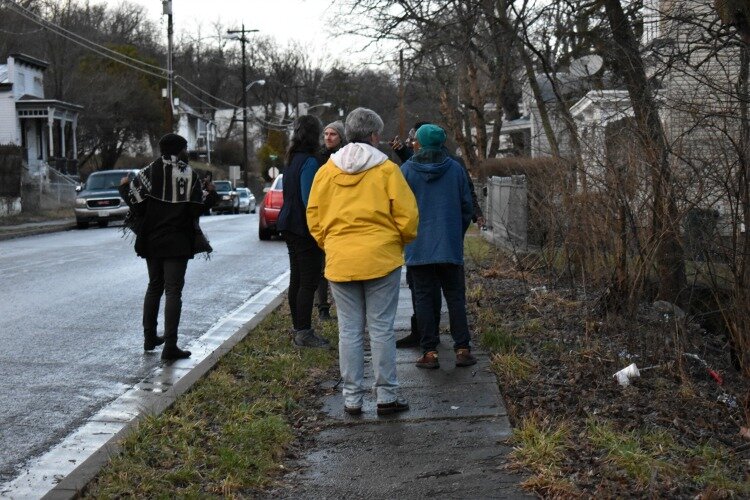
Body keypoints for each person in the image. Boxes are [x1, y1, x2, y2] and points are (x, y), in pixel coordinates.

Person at [307, 107, 419, 416]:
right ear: (373, 136)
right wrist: (398, 241)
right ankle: (386, 397)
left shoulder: (326, 171)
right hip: (381, 258)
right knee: (381, 329)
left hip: (341, 259)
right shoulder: (386, 170)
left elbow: (313, 215)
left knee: (349, 330)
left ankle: (352, 398)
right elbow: (408, 217)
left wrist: (328, 242)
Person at [392, 121, 485, 348]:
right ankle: (463, 348)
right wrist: (455, 232)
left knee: (423, 297)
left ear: (420, 143)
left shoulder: (406, 171)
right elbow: (466, 207)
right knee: (455, 297)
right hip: (449, 244)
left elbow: (398, 208)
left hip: (418, 245)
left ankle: (429, 350)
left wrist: (407, 237)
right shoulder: (455, 169)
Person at [118, 133, 207, 360]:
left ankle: (149, 337)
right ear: (179, 150)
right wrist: (211, 193)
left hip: (152, 240)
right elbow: (197, 208)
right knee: (173, 291)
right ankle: (170, 346)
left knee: (154, 286)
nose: (187, 152)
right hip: (177, 242)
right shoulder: (190, 175)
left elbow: (135, 204)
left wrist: (124, 188)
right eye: (185, 148)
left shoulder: (147, 172)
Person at [277, 115, 331, 348]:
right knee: (308, 281)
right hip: (304, 227)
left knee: (297, 279)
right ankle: (304, 332)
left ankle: (298, 327)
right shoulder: (310, 161)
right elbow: (311, 198)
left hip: (289, 224)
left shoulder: (291, 159)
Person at [315, 121, 346, 321]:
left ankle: (342, 307)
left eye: (333, 134)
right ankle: (323, 307)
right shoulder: (318, 158)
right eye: (326, 133)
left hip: (341, 213)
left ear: (341, 137)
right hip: (323, 215)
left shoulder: (346, 157)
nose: (328, 137)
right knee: (321, 266)